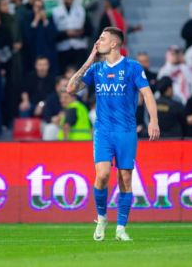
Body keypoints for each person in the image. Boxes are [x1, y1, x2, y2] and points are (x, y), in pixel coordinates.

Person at [65, 26, 159, 242]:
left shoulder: (132, 67)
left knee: (125, 178)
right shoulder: (96, 69)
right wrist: (89, 60)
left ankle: (121, 229)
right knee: (102, 175)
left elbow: (147, 94)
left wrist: (153, 120)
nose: (98, 42)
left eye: (102, 38)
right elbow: (70, 89)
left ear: (114, 44)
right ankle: (101, 218)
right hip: (103, 130)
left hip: (126, 131)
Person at [52, 0, 89, 72]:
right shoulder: (56, 12)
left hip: (79, 47)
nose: (70, 0)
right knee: (63, 73)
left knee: (80, 73)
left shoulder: (81, 10)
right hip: (63, 49)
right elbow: (52, 33)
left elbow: (89, 28)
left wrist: (81, 32)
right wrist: (66, 33)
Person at [25, 0, 58, 75]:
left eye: (41, 7)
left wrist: (45, 20)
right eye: (37, 7)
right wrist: (35, 21)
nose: (39, 10)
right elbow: (27, 37)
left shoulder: (49, 19)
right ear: (33, 8)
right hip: (33, 54)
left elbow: (53, 36)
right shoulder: (29, 19)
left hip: (48, 54)